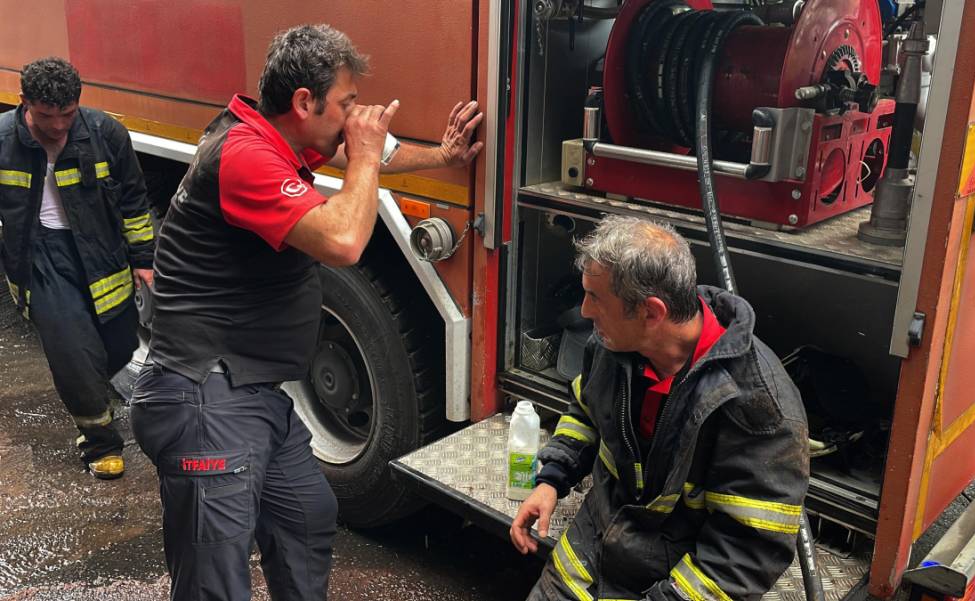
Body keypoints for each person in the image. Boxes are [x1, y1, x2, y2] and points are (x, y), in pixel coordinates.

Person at [129, 24, 482, 601]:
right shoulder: (245, 155)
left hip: (256, 391)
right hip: (204, 394)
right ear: (303, 103)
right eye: (345, 104)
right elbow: (344, 241)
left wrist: (441, 155)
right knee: (214, 578)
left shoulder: (278, 138)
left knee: (307, 518)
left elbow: (369, 152)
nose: (352, 119)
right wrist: (364, 156)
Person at [510, 216, 809, 601]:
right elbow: (586, 411)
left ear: (651, 312)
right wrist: (551, 480)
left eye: (596, 298)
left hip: (673, 585)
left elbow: (745, 552)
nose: (584, 310)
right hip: (588, 554)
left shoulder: (758, 407)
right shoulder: (610, 344)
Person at [0, 57, 154, 480]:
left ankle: (89, 390)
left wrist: (143, 258)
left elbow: (134, 200)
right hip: (40, 256)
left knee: (119, 343)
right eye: (47, 116)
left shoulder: (105, 133)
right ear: (24, 103)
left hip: (100, 250)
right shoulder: (2, 141)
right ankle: (99, 439)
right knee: (72, 349)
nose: (58, 126)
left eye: (67, 114)